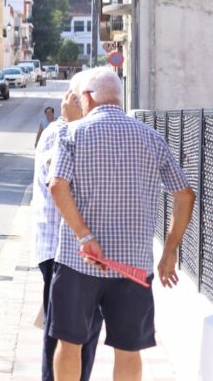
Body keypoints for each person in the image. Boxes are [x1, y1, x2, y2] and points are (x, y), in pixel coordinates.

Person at [48, 67, 195, 381]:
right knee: (129, 351)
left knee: (70, 343)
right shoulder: (150, 136)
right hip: (134, 266)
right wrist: (169, 252)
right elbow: (185, 195)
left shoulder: (71, 133)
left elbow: (57, 186)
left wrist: (84, 235)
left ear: (88, 97)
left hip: (79, 261)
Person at [33, 74, 101, 381]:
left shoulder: (75, 132)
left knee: (78, 338)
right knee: (64, 339)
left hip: (76, 251)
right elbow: (61, 185)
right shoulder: (60, 132)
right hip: (63, 251)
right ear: (78, 100)